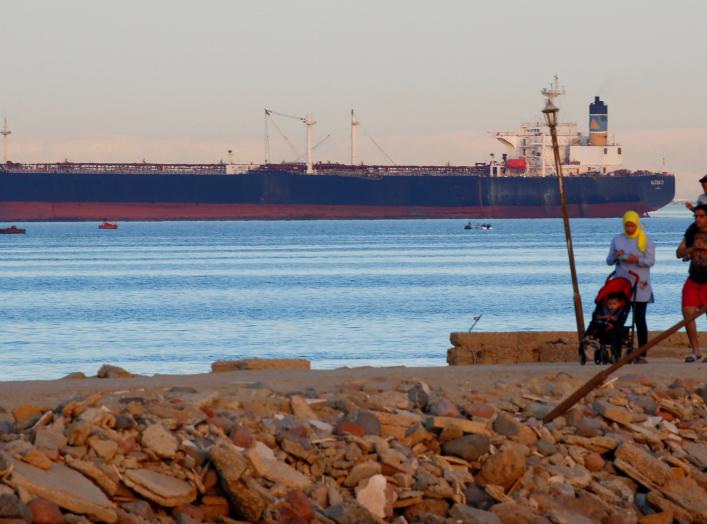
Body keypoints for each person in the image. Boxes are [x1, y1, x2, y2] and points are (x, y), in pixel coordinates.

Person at [606, 210, 655, 362]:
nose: (629, 229)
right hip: (622, 283)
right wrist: (615, 256)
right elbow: (608, 260)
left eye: (632, 226)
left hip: (640, 284)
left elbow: (650, 261)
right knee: (618, 318)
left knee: (640, 319)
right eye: (627, 226)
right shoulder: (617, 239)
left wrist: (637, 260)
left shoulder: (645, 239)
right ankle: (616, 351)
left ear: (637, 224)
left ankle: (642, 353)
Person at [675, 203, 707, 362]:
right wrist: (692, 248)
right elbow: (678, 253)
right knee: (687, 313)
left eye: (701, 216)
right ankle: (696, 351)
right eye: (696, 216)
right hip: (694, 278)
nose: (698, 219)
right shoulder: (691, 232)